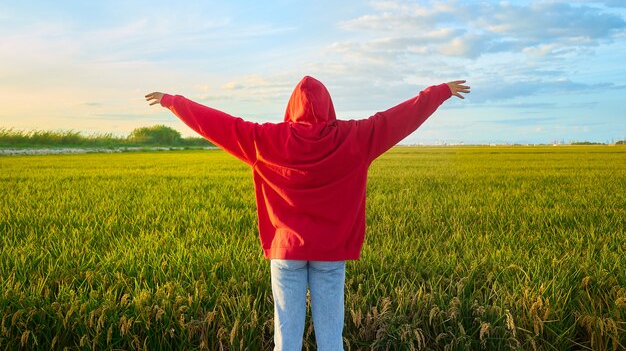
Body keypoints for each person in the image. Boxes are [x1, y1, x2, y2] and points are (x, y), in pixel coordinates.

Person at [145, 76, 470, 350]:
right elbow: (397, 119)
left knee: (286, 341)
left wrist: (173, 102)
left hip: (286, 252)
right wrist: (437, 93)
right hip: (331, 253)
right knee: (331, 341)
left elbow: (220, 124)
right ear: (329, 105)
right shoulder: (355, 137)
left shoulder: (265, 139)